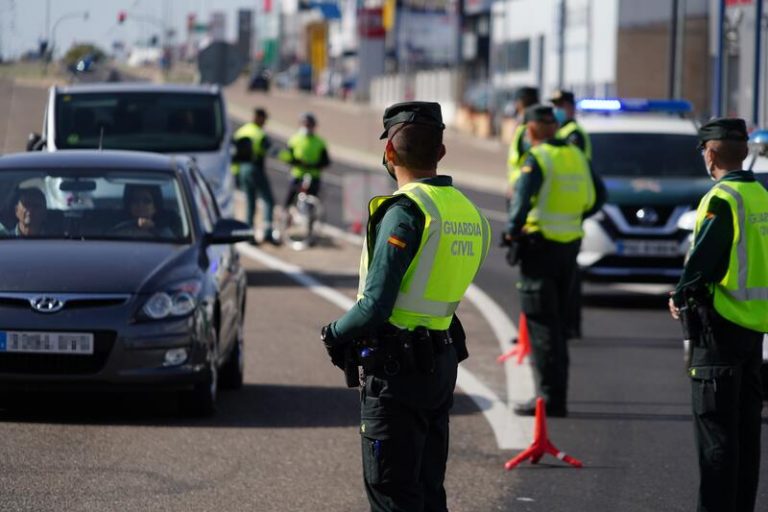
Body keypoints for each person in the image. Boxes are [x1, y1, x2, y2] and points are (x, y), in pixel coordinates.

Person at [320, 101, 491, 512]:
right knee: (428, 490)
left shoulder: (406, 212)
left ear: (389, 153)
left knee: (393, 493)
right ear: (441, 153)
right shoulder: (470, 214)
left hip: (397, 373)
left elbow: (375, 305)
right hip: (440, 363)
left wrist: (334, 333)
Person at [668, 118, 766, 512]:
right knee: (746, 439)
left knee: (717, 441)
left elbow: (704, 259)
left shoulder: (722, 198)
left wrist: (679, 293)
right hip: (754, 332)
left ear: (709, 154)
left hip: (721, 331)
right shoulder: (761, 195)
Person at [504, 105, 606, 417]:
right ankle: (557, 395)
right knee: (558, 325)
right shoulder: (576, 155)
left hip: (540, 247)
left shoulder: (538, 158)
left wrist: (512, 231)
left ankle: (551, 399)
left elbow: (520, 204)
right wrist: (574, 217)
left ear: (531, 129)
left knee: (542, 326)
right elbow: (599, 197)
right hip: (569, 247)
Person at [549, 89, 593, 340]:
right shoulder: (563, 132)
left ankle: (570, 324)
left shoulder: (573, 135)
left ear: (570, 107)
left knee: (569, 275)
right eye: (555, 105)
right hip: (564, 211)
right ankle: (565, 323)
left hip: (570, 211)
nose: (557, 109)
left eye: (561, 105)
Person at [232, 107, 278, 245]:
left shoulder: (241, 131)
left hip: (242, 170)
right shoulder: (259, 134)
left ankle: (249, 235)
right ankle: (268, 233)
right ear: (260, 118)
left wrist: (236, 174)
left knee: (250, 203)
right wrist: (290, 157)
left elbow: (234, 155)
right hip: (255, 168)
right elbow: (272, 151)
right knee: (268, 201)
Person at [280, 112, 330, 209]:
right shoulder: (294, 139)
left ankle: (310, 220)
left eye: (309, 124)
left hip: (314, 175)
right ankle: (285, 214)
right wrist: (296, 162)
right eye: (305, 124)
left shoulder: (320, 142)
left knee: (314, 201)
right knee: (290, 197)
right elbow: (286, 156)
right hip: (298, 174)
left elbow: (326, 161)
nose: (307, 127)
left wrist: (315, 165)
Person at [506, 86, 540, 201]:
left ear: (522, 103)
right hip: (521, 185)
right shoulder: (526, 126)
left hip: (523, 187)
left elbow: (529, 160)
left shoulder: (528, 129)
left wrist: (517, 186)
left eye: (517, 102)